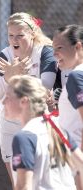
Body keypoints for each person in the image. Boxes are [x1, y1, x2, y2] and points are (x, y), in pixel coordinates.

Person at [0, 12, 58, 186]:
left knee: (42, 181)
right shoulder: (3, 57)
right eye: (11, 36)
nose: (14, 40)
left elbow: (46, 85)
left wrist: (19, 75)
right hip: (9, 124)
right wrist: (6, 78)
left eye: (20, 35)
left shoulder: (45, 52)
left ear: (32, 34)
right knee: (18, 182)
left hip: (39, 123)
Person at [2, 75, 83, 190]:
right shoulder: (57, 127)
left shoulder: (24, 137)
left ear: (24, 101)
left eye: (8, 97)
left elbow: (24, 187)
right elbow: (80, 166)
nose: (3, 102)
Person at [53, 24, 83, 189]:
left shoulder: (76, 77)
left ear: (78, 46)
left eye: (59, 47)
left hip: (74, 161)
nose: (54, 54)